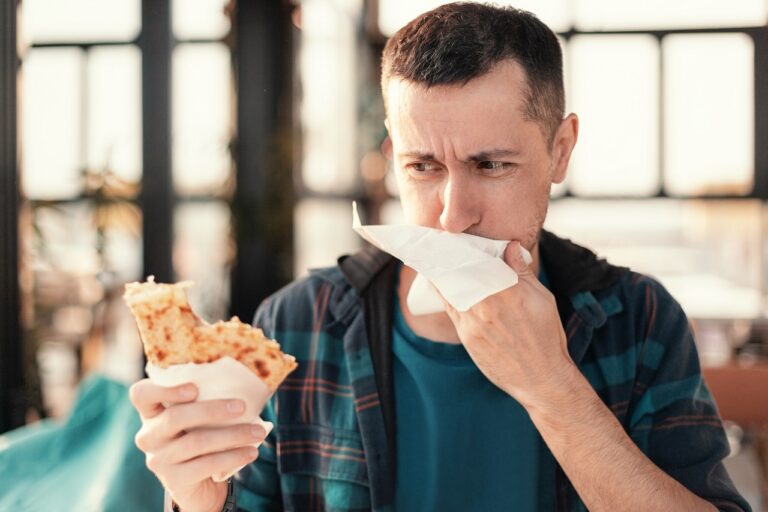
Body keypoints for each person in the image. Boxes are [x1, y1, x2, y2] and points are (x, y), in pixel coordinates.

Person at [129, 3, 751, 511]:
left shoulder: (637, 320)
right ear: (392, 156)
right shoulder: (299, 324)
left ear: (561, 150)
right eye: (423, 167)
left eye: (492, 165)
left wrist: (552, 388)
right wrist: (196, 501)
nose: (454, 215)